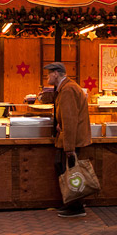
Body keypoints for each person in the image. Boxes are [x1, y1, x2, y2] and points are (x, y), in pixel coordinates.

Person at [45, 62, 91, 218]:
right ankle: (71, 204)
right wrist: (60, 124)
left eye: (49, 74)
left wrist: (69, 147)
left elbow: (70, 119)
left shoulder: (68, 90)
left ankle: (76, 207)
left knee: (70, 172)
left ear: (56, 74)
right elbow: (67, 117)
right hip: (68, 138)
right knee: (63, 168)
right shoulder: (67, 87)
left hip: (70, 140)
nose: (47, 77)